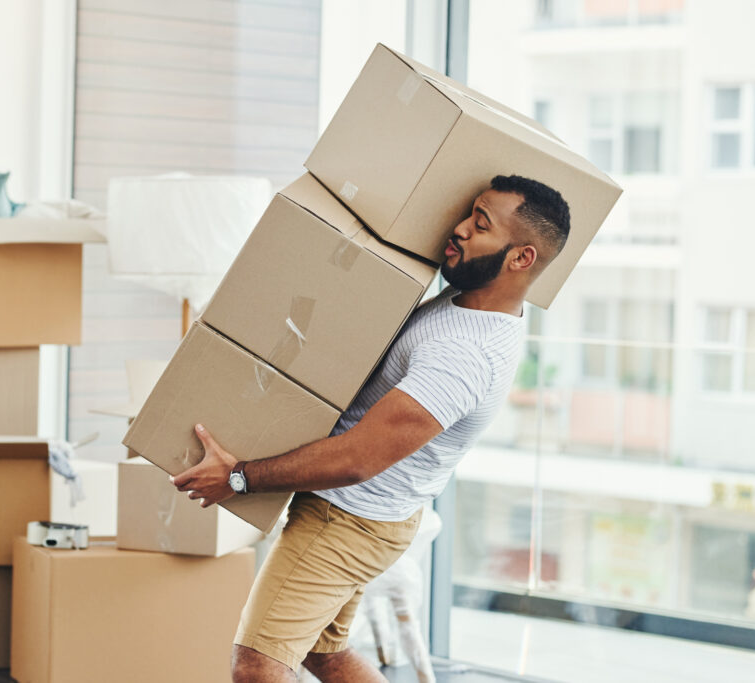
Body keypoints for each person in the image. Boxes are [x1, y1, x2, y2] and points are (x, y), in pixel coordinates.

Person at [171, 175, 572, 683]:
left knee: (257, 666)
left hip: (348, 520)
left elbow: (357, 458)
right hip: (369, 516)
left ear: (521, 258)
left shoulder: (466, 356)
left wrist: (238, 477)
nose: (460, 228)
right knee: (325, 653)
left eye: (481, 224)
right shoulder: (467, 304)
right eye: (470, 213)